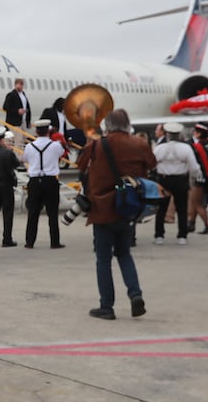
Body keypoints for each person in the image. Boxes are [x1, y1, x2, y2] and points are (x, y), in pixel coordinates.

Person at [76, 109, 156, 320]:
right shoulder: (139, 143)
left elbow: (80, 164)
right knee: (124, 254)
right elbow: (152, 164)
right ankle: (135, 294)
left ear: (107, 125)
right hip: (128, 207)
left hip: (102, 207)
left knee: (103, 259)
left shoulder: (98, 144)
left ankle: (107, 306)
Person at [152, 122, 202, 245]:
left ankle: (159, 235)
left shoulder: (159, 148)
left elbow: (152, 163)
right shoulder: (186, 148)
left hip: (164, 179)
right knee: (181, 208)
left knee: (161, 209)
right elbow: (194, 166)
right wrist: (195, 177)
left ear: (167, 134)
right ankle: (182, 236)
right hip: (180, 179)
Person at [23, 119, 66, 249]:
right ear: (48, 131)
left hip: (35, 181)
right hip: (50, 180)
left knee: (33, 212)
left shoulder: (29, 146)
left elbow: (25, 159)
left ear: (36, 131)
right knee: (52, 212)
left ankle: (30, 241)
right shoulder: (55, 145)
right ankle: (54, 241)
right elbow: (61, 153)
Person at [187, 123, 208, 234]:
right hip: (203, 177)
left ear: (199, 133)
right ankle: (191, 223)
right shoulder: (205, 144)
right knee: (195, 202)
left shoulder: (198, 147)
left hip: (198, 178)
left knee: (196, 203)